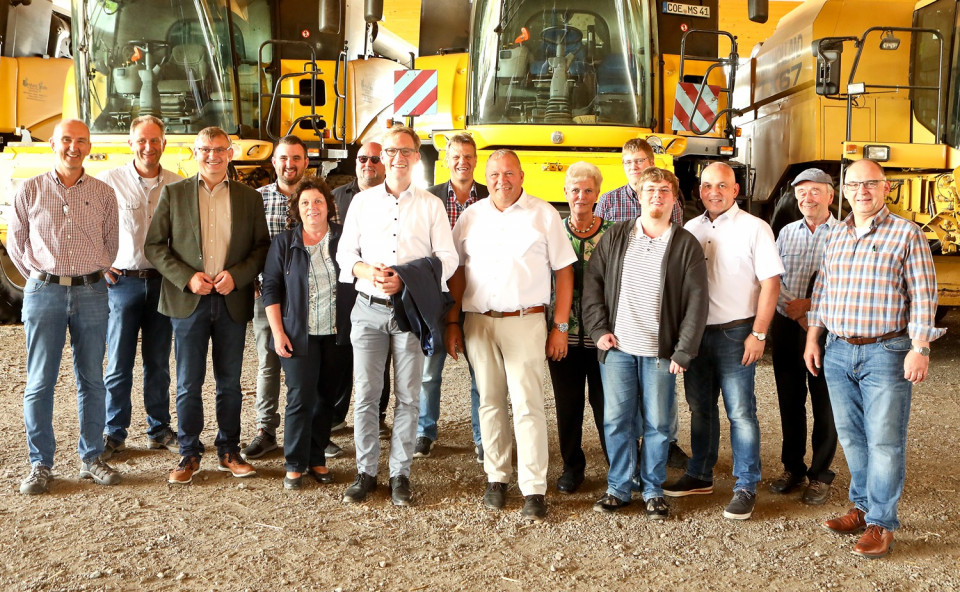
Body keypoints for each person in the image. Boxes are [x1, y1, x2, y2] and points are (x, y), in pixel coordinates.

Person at [804, 159, 944, 559]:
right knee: (851, 436)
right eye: (854, 184)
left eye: (871, 183)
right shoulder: (836, 235)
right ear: (844, 190)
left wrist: (920, 348)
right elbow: (824, 293)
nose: (861, 191)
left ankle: (882, 522)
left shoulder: (907, 233)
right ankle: (863, 507)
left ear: (886, 188)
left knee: (884, 441)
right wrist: (814, 337)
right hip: (837, 350)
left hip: (887, 350)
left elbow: (923, 296)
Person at [446, 149, 576, 523]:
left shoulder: (543, 214)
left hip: (526, 322)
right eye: (495, 175)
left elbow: (564, 272)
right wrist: (452, 322)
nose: (501, 181)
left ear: (522, 176)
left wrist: (560, 326)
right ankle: (496, 477)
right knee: (489, 401)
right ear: (485, 178)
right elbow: (456, 275)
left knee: (527, 405)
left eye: (509, 173)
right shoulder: (470, 217)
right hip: (478, 322)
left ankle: (533, 488)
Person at [336, 125, 458, 506]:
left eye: (406, 151)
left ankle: (400, 473)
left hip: (411, 313)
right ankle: (366, 471)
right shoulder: (362, 202)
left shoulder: (431, 205)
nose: (398, 158)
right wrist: (366, 272)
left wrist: (405, 279)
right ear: (383, 156)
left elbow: (449, 260)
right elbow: (344, 255)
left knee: (408, 397)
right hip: (368, 310)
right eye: (391, 151)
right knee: (367, 396)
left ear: (416, 157)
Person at [145, 126, 270, 484]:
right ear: (193, 153)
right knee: (188, 382)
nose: (212, 156)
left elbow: (261, 247)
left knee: (229, 382)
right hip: (189, 301)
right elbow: (155, 246)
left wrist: (239, 275)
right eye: (205, 150)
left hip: (232, 299)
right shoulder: (174, 193)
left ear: (230, 153)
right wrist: (187, 277)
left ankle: (229, 450)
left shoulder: (250, 198)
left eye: (219, 149)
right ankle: (189, 453)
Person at [583, 167, 708, 518]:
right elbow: (592, 285)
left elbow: (697, 302)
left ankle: (653, 489)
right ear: (639, 196)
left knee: (658, 425)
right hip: (618, 348)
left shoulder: (685, 245)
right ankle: (619, 487)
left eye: (665, 190)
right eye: (650, 189)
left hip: (660, 352)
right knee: (617, 420)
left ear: (674, 199)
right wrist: (597, 330)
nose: (657, 195)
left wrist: (683, 350)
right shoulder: (616, 237)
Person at [664, 162, 783, 521]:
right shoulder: (690, 228)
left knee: (741, 412)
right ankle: (700, 474)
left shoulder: (755, 228)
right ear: (699, 191)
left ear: (735, 190)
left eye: (722, 185)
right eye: (706, 186)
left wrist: (759, 333)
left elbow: (771, 284)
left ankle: (746, 484)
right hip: (697, 334)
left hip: (737, 334)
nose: (713, 191)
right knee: (700, 408)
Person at [10, 119, 121, 495]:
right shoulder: (30, 190)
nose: (74, 147)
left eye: (81, 141)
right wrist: (44, 278)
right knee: (40, 381)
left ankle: (91, 458)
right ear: (53, 144)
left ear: (89, 147)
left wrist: (85, 273)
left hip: (92, 293)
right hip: (45, 294)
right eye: (67, 140)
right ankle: (40, 464)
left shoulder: (105, 193)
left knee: (92, 378)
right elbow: (16, 244)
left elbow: (111, 246)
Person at [594, 137, 687, 469]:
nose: (635, 167)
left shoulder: (669, 200)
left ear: (651, 161)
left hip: (658, 327)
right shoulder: (608, 202)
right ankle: (627, 464)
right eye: (629, 162)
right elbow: (602, 263)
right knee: (622, 405)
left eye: (640, 160)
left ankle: (664, 450)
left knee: (661, 402)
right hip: (623, 324)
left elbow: (676, 255)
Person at [261, 176, 356, 490]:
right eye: (305, 203)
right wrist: (278, 332)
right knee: (300, 397)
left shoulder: (344, 238)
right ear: (296, 209)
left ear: (329, 206)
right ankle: (294, 463)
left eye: (318, 201)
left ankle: (317, 458)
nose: (312, 208)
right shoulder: (285, 243)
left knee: (326, 398)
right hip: (299, 334)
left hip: (337, 333)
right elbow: (271, 289)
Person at [97, 115, 181, 461]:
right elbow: (90, 228)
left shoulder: (177, 185)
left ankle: (158, 429)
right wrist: (100, 263)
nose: (149, 147)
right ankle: (114, 432)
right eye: (142, 141)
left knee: (158, 362)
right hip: (122, 284)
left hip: (163, 284)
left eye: (155, 140)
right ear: (131, 144)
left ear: (164, 143)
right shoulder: (107, 182)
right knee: (118, 363)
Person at [414, 133, 488, 461]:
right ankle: (424, 432)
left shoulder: (491, 197)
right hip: (437, 298)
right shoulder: (427, 199)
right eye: (456, 156)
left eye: (469, 156)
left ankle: (483, 437)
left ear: (476, 159)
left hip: (479, 297)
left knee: (481, 373)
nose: (463, 162)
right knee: (429, 371)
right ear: (446, 159)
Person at [769, 168, 839, 505]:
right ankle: (792, 468)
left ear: (830, 195)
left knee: (826, 403)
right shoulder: (785, 233)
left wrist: (810, 308)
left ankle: (820, 474)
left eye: (814, 191)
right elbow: (773, 278)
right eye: (801, 192)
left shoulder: (844, 233)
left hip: (828, 330)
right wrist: (793, 311)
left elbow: (844, 284)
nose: (806, 198)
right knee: (790, 401)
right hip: (787, 326)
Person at [241, 135, 310, 461]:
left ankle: (313, 431)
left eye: (296, 158)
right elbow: (247, 244)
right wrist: (252, 281)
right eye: (284, 158)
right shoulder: (257, 199)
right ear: (274, 162)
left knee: (309, 363)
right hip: (266, 297)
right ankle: (265, 430)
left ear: (305, 162)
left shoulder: (316, 199)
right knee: (268, 364)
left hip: (309, 298)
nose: (289, 164)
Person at [546, 161, 612, 494]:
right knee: (567, 405)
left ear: (598, 193)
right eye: (575, 190)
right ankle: (573, 466)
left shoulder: (614, 232)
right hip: (565, 336)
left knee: (608, 405)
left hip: (604, 338)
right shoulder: (553, 231)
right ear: (565, 193)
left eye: (588, 190)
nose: (581, 197)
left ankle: (619, 465)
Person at [332, 141, 392, 439]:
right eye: (362, 158)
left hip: (381, 291)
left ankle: (377, 415)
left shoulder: (397, 200)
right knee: (342, 351)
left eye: (375, 159)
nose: (368, 164)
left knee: (380, 357)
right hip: (346, 289)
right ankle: (337, 415)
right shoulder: (334, 199)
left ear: (386, 163)